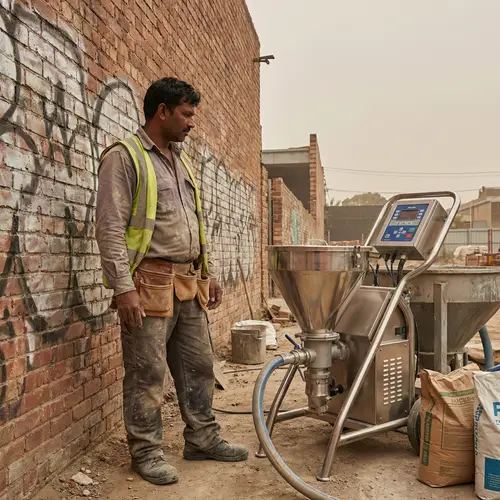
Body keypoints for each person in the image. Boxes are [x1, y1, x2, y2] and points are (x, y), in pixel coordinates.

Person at [95, 77, 248, 486]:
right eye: (186, 114)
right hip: (147, 286)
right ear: (162, 111)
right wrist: (122, 287)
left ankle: (202, 438)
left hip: (187, 283)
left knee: (198, 366)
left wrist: (206, 271)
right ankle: (146, 451)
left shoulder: (179, 159)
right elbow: (110, 227)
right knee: (147, 374)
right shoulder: (125, 157)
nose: (191, 123)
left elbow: (194, 222)